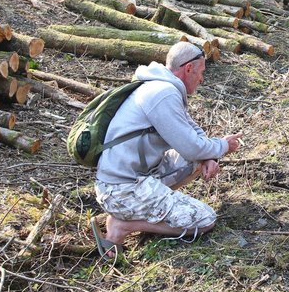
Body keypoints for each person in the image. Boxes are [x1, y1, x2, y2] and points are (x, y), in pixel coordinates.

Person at [90, 42, 242, 258]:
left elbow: (192, 130)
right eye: (201, 72)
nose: (202, 79)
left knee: (194, 160)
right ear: (189, 68)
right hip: (123, 189)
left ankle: (154, 209)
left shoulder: (161, 87)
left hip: (134, 177)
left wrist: (209, 154)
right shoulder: (163, 93)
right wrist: (223, 146)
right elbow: (190, 146)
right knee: (205, 219)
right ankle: (123, 225)